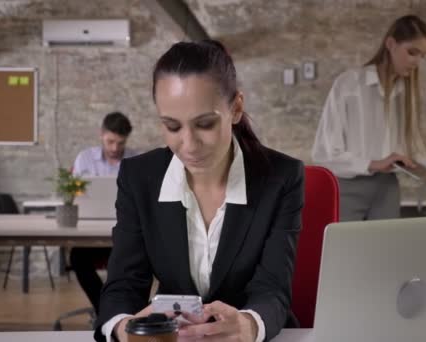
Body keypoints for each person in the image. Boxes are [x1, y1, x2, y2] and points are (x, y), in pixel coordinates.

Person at [94, 40, 304, 342]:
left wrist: (249, 325)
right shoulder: (139, 178)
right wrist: (124, 329)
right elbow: (124, 283)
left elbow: (272, 287)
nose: (189, 146)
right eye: (172, 126)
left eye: (205, 124)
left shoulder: (281, 178)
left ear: (236, 109)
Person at [312, 15, 426, 221]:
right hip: (347, 188)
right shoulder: (349, 84)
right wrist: (375, 163)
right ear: (391, 44)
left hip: (387, 189)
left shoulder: (405, 92)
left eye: (423, 56)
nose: (417, 62)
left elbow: (409, 147)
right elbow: (325, 153)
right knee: (344, 252)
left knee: (386, 252)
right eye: (412, 52)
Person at [70, 112, 137, 314]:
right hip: (90, 231)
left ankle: (118, 311)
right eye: (110, 142)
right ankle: (106, 311)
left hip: (125, 234)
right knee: (77, 258)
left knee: (133, 260)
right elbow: (75, 195)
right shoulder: (85, 158)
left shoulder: (136, 160)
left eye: (120, 143)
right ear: (101, 134)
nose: (115, 148)